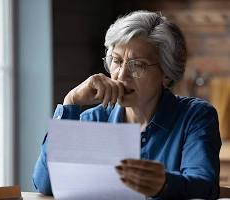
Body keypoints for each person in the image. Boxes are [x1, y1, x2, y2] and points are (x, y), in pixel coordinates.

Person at [32, 10, 221, 199]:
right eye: (116, 61)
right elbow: (45, 184)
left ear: (166, 72)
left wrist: (164, 184)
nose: (121, 76)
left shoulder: (195, 116)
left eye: (137, 65)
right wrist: (70, 102)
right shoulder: (94, 120)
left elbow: (204, 186)